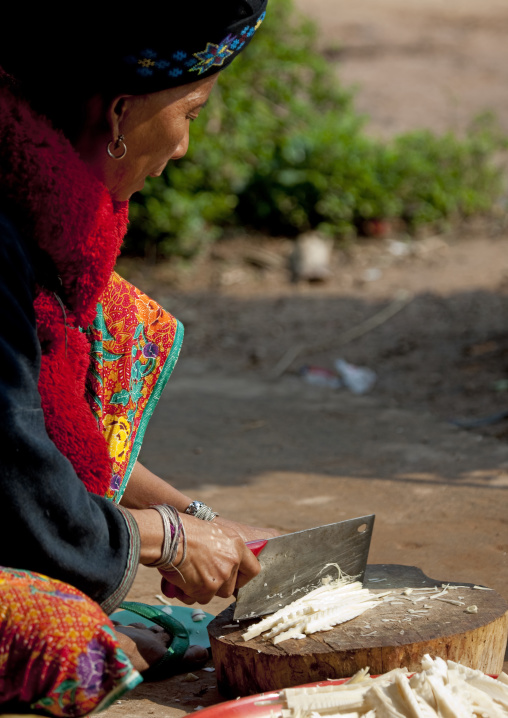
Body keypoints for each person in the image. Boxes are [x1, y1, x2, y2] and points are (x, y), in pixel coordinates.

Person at [0, 1, 273, 692]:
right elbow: (8, 467)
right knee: (70, 644)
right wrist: (163, 540)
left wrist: (193, 518)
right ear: (119, 113)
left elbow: (28, 418)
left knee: (115, 319)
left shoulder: (36, 208)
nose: (183, 146)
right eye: (191, 113)